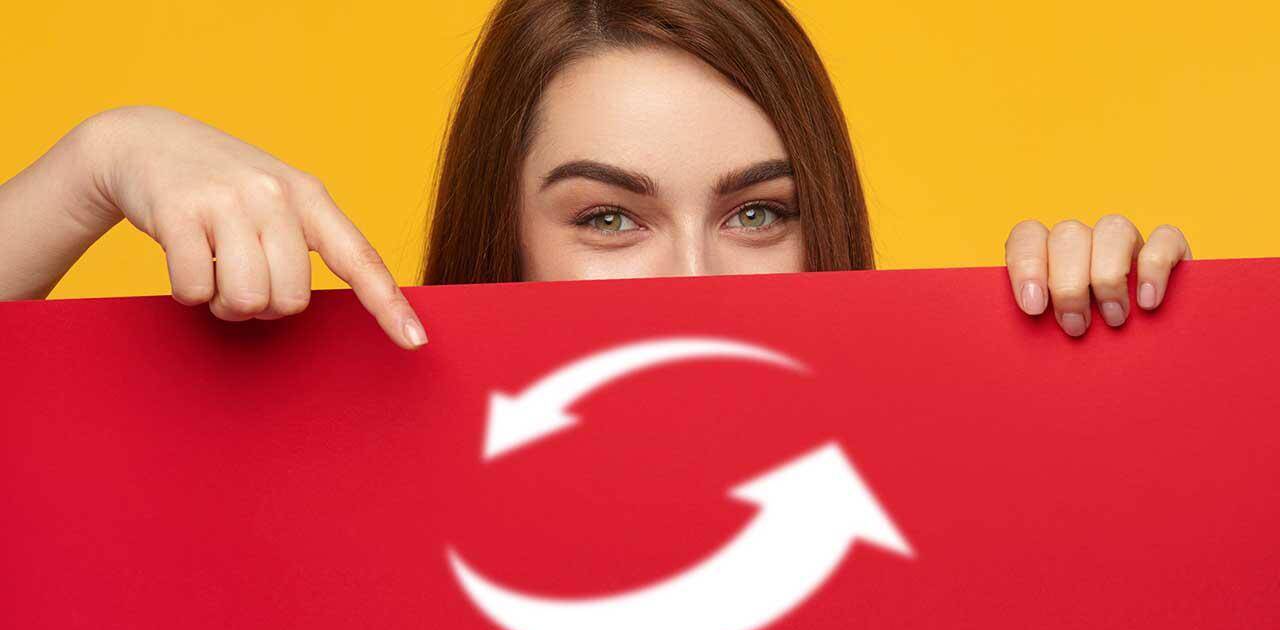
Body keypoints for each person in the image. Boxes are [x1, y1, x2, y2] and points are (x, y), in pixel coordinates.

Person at [0, 0, 1192, 350]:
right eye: (610, 217)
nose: (693, 282)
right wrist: (95, 162)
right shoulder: (334, 495)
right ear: (504, 234)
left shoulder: (938, 507)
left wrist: (1125, 369)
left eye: (757, 211)